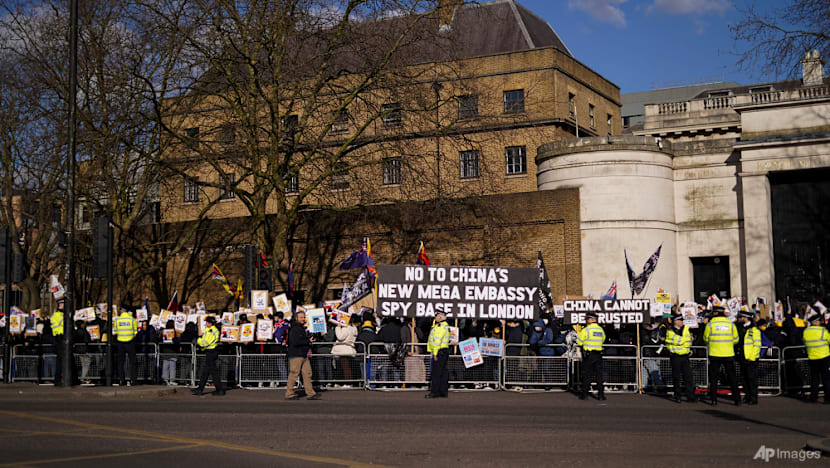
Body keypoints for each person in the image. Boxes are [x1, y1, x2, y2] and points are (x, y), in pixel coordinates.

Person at [703, 306, 740, 406]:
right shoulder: (730, 324)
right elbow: (736, 339)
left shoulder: (710, 324)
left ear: (715, 313)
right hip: (728, 354)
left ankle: (714, 400)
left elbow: (705, 338)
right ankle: (737, 400)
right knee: (732, 377)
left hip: (714, 354)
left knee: (714, 378)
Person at [285, 311, 320, 400]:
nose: (303, 319)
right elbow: (295, 342)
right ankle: (289, 393)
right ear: (296, 318)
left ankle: (310, 393)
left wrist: (309, 339)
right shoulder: (294, 328)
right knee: (294, 374)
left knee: (308, 373)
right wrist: (308, 341)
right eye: (301, 317)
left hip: (303, 354)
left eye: (304, 317)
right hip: (296, 354)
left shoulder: (301, 328)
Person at [664, 313, 696, 403]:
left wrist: (684, 340)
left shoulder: (686, 328)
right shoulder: (669, 331)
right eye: (680, 320)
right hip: (675, 357)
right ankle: (677, 396)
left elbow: (686, 341)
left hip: (685, 356)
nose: (682, 322)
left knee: (688, 377)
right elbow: (680, 341)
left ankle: (690, 396)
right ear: (676, 321)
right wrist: (686, 340)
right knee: (676, 377)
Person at [802, 310, 830, 403]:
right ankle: (827, 399)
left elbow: (805, 342)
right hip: (824, 356)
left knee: (814, 378)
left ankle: (813, 398)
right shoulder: (823, 330)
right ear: (817, 322)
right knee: (826, 378)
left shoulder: (806, 331)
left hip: (812, 357)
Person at [577, 312, 606, 400]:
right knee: (599, 376)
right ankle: (601, 395)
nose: (586, 320)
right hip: (598, 355)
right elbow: (603, 339)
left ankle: (584, 395)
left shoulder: (586, 330)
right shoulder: (600, 330)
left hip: (589, 355)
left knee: (587, 375)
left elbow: (579, 342)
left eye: (587, 319)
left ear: (591, 320)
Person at [193, 316, 225, 396]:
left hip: (211, 352)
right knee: (206, 372)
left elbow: (206, 342)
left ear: (210, 323)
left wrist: (197, 341)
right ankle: (200, 389)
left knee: (212, 372)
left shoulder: (211, 330)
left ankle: (219, 390)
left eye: (207, 322)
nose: (205, 323)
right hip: (210, 352)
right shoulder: (209, 330)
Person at [425, 311, 450, 398]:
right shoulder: (445, 326)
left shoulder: (439, 327)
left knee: (436, 373)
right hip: (444, 351)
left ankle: (434, 392)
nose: (434, 317)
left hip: (439, 352)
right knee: (443, 373)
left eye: (436, 316)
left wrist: (435, 353)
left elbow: (437, 341)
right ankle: (443, 391)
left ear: (440, 317)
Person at [738, 310, 761, 405]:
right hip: (742, 357)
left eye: (741, 317)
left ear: (745, 318)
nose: (739, 318)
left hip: (751, 359)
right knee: (744, 379)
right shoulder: (740, 328)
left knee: (751, 379)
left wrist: (751, 357)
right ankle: (747, 396)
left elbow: (757, 345)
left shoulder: (754, 330)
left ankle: (753, 397)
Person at [332, 314, 359, 383]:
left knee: (344, 367)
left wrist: (338, 327)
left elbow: (340, 337)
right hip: (349, 349)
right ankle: (347, 382)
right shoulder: (354, 328)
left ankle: (348, 382)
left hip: (343, 350)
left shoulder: (346, 328)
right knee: (348, 366)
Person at [113, 309, 138, 386]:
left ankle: (121, 380)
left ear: (121, 311)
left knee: (121, 362)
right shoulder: (132, 319)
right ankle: (133, 380)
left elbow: (116, 331)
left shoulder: (117, 320)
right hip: (130, 342)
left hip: (120, 342)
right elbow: (135, 332)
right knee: (132, 362)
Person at [50, 307, 65, 385]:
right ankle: (59, 379)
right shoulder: (61, 316)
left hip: (57, 338)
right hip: (61, 338)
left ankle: (58, 379)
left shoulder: (54, 316)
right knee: (61, 361)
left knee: (59, 361)